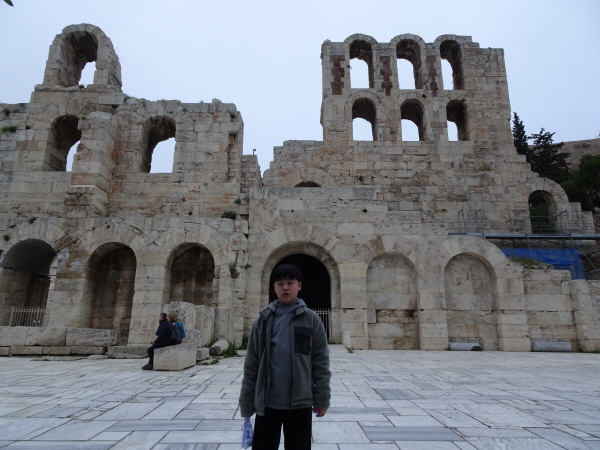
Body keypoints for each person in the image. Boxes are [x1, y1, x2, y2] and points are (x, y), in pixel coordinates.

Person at [239, 264, 331, 450]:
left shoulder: (311, 320)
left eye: (290, 283)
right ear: (274, 287)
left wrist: (322, 398)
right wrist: (247, 403)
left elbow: (320, 362)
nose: (285, 287)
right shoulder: (263, 321)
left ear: (299, 286)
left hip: (300, 402)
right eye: (280, 283)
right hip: (267, 402)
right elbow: (251, 365)